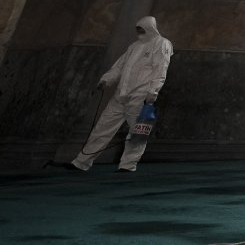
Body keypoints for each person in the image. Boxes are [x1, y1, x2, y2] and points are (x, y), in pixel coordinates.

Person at [69, 16, 173, 173]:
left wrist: (153, 92)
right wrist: (106, 80)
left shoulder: (161, 44)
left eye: (141, 29)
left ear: (149, 28)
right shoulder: (134, 46)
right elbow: (119, 66)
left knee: (137, 132)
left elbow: (160, 70)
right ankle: (81, 162)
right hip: (120, 94)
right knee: (102, 127)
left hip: (140, 95)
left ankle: (128, 165)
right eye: (137, 29)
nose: (139, 32)